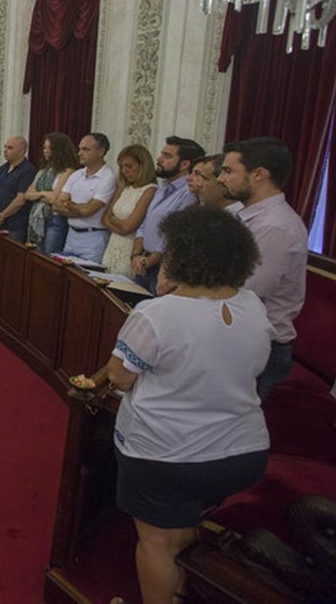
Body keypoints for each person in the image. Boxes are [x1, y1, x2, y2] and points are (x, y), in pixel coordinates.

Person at [107, 204, 271, 604]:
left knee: (157, 543)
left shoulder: (157, 314)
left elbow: (119, 376)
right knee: (187, 520)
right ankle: (182, 590)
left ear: (181, 255)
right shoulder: (252, 304)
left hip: (166, 454)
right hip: (241, 453)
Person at [219, 137, 307, 400]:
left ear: (259, 175)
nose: (221, 179)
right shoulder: (242, 213)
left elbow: (244, 291)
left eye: (228, 171)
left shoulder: (275, 227)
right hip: (237, 335)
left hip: (260, 346)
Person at [131, 136, 204, 294]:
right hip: (144, 262)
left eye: (167, 156)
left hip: (163, 268)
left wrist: (149, 261)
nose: (159, 159)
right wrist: (136, 255)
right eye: (162, 153)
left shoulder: (189, 193)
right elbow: (145, 223)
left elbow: (173, 235)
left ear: (185, 164)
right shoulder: (163, 187)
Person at [54, 133, 118, 264]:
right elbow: (56, 205)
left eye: (85, 149)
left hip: (93, 239)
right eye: (80, 149)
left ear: (101, 152)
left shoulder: (108, 178)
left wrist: (70, 206)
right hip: (71, 235)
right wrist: (78, 208)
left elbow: (89, 210)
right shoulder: (77, 174)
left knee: (86, 279)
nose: (79, 153)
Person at [101, 145, 158, 277]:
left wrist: (114, 220)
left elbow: (129, 226)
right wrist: (118, 229)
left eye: (129, 166)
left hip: (130, 247)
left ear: (142, 165)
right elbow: (105, 218)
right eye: (121, 166)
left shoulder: (150, 190)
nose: (124, 171)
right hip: (113, 244)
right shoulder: (124, 187)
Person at [25, 133, 78, 253]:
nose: (46, 151)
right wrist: (45, 194)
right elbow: (27, 194)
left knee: (50, 255)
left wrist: (38, 194)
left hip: (54, 219)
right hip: (37, 216)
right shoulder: (42, 171)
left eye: (50, 148)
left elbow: (55, 198)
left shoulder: (68, 171)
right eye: (44, 148)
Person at [0, 136, 38, 242]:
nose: (5, 150)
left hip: (16, 225)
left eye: (10, 148)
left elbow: (21, 199)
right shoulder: (3, 168)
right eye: (5, 147)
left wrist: (3, 215)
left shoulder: (28, 170)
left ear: (21, 152)